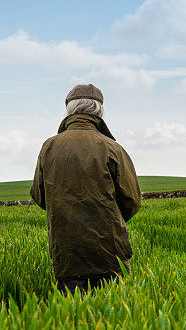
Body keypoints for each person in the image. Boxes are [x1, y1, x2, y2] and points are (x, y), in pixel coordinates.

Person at [31, 84, 142, 296]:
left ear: (69, 111)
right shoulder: (112, 147)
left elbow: (39, 195)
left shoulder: (49, 147)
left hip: (66, 252)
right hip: (109, 250)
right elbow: (133, 200)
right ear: (99, 112)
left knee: (71, 318)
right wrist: (107, 220)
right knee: (114, 317)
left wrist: (65, 213)